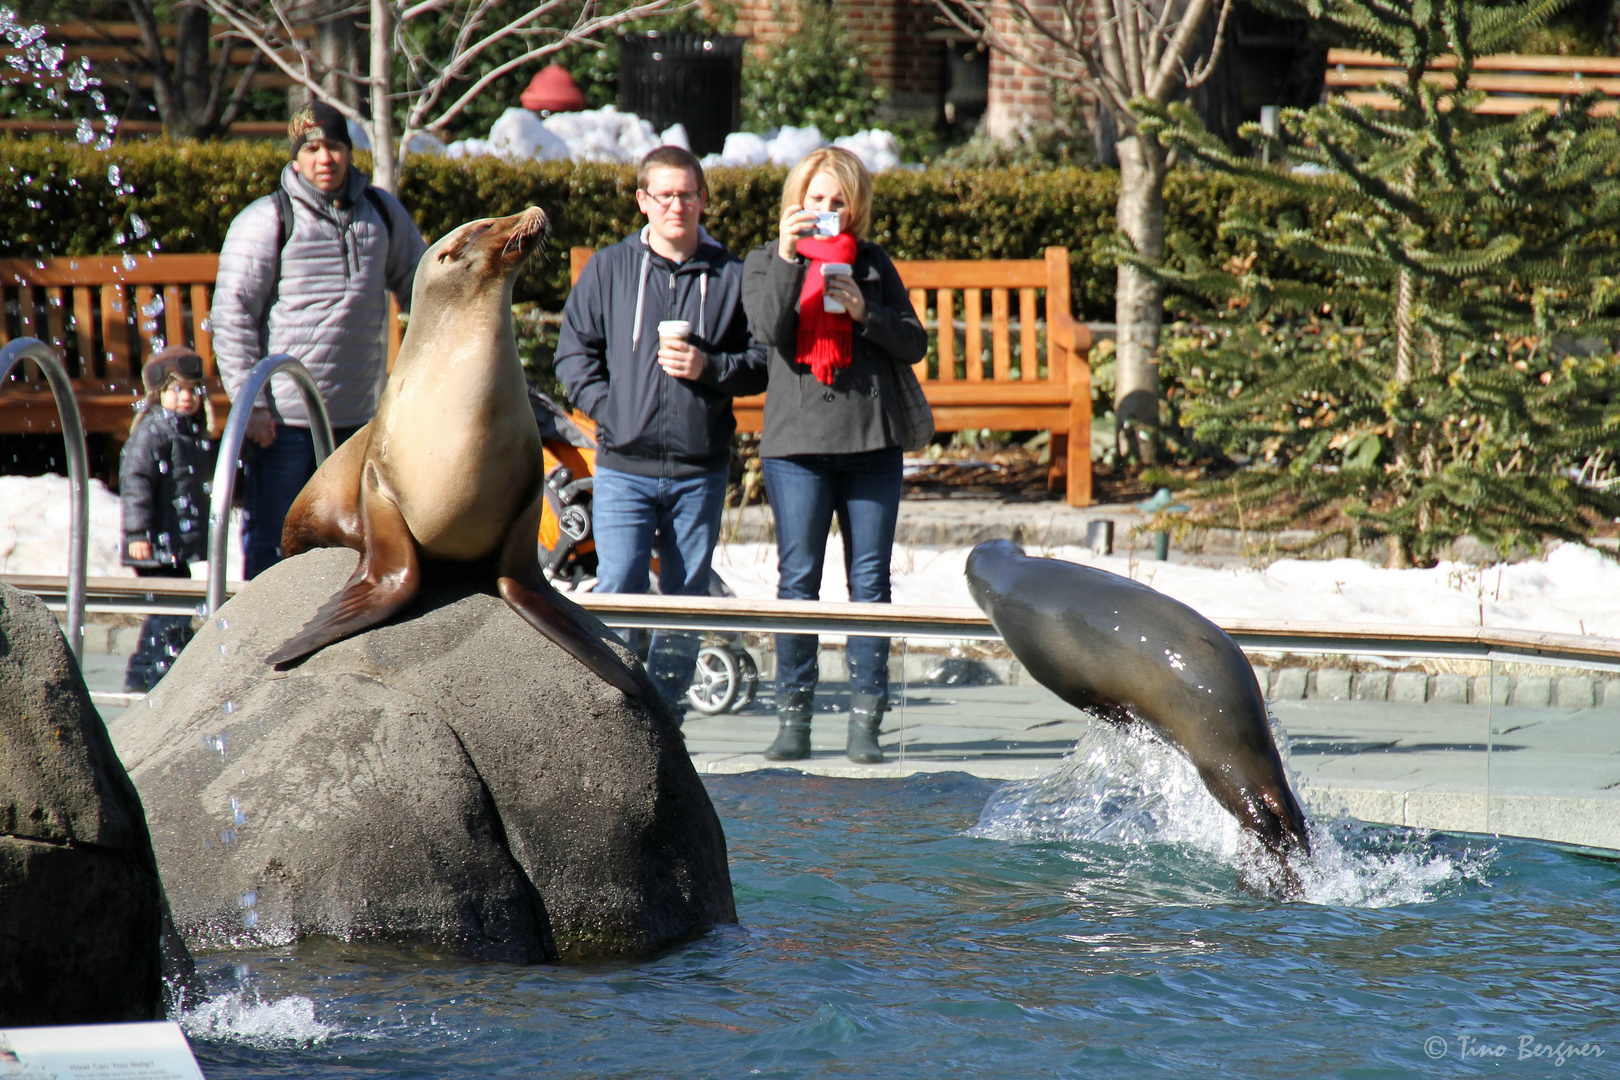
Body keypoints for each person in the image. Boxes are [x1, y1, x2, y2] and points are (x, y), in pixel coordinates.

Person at [555, 146, 768, 713]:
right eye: (665, 195)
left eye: (688, 194)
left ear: (702, 200)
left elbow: (762, 360)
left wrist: (711, 369)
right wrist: (611, 409)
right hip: (625, 463)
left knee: (685, 595)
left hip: (700, 466)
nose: (678, 205)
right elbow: (574, 354)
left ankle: (669, 714)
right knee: (620, 586)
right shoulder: (611, 268)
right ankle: (619, 711)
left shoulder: (732, 275)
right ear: (643, 202)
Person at [742, 146, 928, 764]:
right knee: (798, 582)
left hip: (870, 442)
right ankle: (793, 721)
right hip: (797, 444)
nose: (825, 210)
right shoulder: (766, 260)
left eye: (837, 202)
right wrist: (792, 257)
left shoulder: (872, 264)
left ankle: (865, 725)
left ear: (855, 209)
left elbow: (912, 341)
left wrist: (864, 312)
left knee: (869, 586)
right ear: (796, 203)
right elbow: (769, 331)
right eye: (814, 199)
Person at [211, 101, 427, 580]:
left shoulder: (382, 214)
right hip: (285, 422)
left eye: (334, 146)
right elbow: (232, 316)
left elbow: (421, 284)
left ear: (350, 152)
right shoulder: (267, 220)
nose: (324, 158)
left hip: (359, 422)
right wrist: (255, 407)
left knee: (352, 549)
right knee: (274, 550)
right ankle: (258, 651)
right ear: (295, 158)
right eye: (311, 148)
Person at [120, 346, 218, 692]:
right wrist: (137, 533)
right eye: (178, 390)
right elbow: (136, 482)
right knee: (167, 609)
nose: (187, 397)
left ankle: (169, 672)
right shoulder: (153, 431)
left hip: (172, 545)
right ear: (159, 393)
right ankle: (146, 678)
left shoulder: (189, 432)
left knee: (177, 607)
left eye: (193, 390)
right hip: (154, 543)